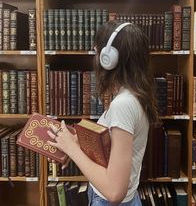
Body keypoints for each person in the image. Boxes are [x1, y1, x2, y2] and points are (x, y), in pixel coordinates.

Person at [47, 20, 159, 205]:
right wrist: (76, 143)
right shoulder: (133, 95)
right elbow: (111, 153)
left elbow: (115, 192)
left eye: (97, 50)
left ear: (109, 58)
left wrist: (72, 149)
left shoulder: (123, 105)